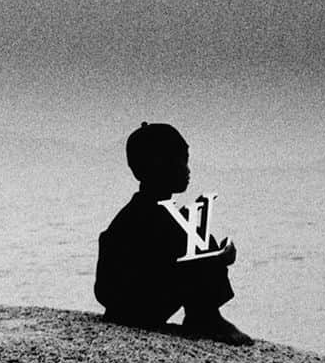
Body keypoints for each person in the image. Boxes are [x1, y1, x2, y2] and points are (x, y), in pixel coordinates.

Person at [95, 122, 253, 345]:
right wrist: (217, 258)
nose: (188, 169)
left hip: (123, 306)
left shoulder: (147, 211)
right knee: (199, 241)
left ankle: (204, 315)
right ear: (158, 164)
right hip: (134, 307)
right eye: (181, 160)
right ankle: (206, 316)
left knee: (199, 238)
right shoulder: (145, 215)